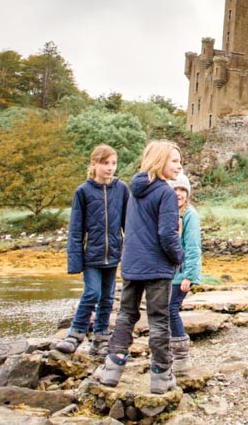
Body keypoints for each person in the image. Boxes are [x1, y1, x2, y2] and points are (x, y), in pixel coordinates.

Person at [93, 140, 185, 394]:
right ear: (160, 161)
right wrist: (180, 256)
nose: (179, 166)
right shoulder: (166, 192)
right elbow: (167, 234)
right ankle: (161, 375)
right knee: (158, 321)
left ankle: (112, 369)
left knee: (125, 316)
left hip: (132, 264)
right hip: (156, 268)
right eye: (175, 161)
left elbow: (129, 226)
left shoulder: (135, 189)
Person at [55, 144, 128, 357]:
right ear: (94, 164)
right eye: (105, 163)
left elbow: (128, 224)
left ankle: (100, 340)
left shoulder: (122, 189)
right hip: (91, 255)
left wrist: (129, 253)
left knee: (107, 298)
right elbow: (75, 229)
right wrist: (74, 261)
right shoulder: (83, 191)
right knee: (92, 293)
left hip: (113, 254)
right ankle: (74, 335)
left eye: (113, 163)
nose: (110, 168)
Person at [167, 172, 202, 373]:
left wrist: (189, 276)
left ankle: (181, 356)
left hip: (181, 274)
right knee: (165, 310)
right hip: (168, 274)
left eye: (182, 190)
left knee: (171, 310)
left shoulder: (190, 215)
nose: (178, 194)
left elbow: (193, 247)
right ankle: (169, 353)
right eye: (175, 189)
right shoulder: (169, 212)